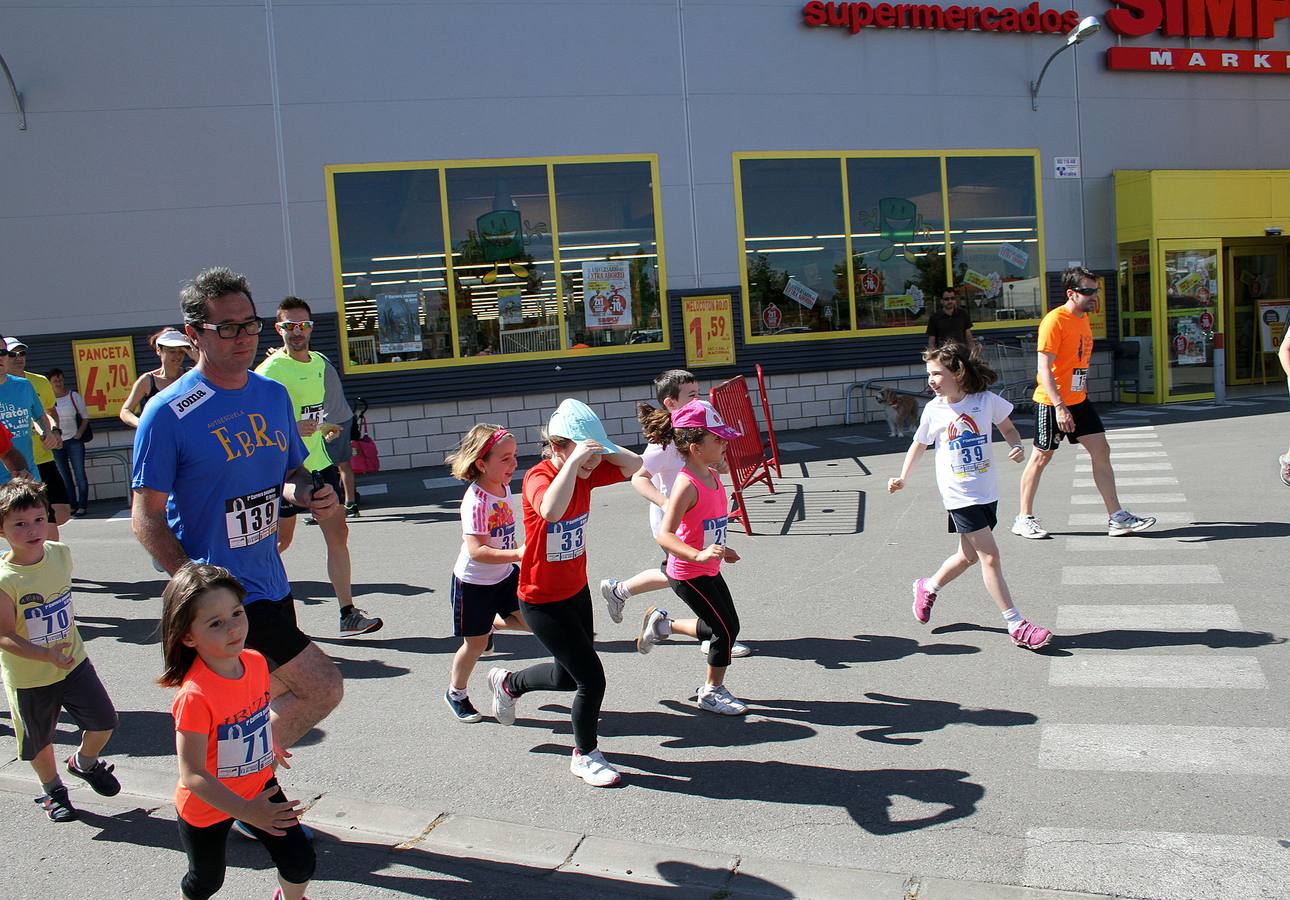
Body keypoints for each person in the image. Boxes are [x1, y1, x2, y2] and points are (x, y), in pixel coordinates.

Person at [131, 266, 343, 753]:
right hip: (222, 598)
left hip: (270, 580)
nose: (244, 336)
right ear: (193, 335)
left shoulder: (272, 395)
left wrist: (308, 495)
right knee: (322, 686)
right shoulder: (168, 413)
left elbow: (289, 476)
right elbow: (146, 515)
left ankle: (232, 785)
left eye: (249, 323)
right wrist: (194, 585)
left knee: (260, 700)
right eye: (226, 327)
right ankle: (236, 786)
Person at [486, 399, 641, 787]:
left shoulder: (587, 471)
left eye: (593, 457)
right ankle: (585, 755)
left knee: (570, 677)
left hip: (575, 590)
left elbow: (636, 466)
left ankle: (509, 683)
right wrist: (573, 462)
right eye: (584, 456)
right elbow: (552, 511)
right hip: (540, 598)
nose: (592, 464)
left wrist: (599, 447)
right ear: (557, 447)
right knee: (592, 679)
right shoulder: (538, 476)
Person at [159, 563, 315, 900]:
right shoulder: (194, 696)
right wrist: (247, 813)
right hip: (207, 806)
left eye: (237, 613)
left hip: (259, 787)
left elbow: (251, 711)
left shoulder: (256, 661)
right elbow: (193, 774)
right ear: (188, 636)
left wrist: (265, 738)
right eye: (216, 623)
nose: (233, 628)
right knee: (206, 881)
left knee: (300, 861)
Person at [888, 342, 1052, 651]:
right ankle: (1016, 624)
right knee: (990, 556)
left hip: (986, 491)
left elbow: (1008, 428)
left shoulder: (985, 401)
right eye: (929, 374)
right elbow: (919, 444)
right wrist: (902, 478)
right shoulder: (934, 410)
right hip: (958, 495)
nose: (931, 380)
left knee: (968, 556)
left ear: (958, 373)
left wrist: (1016, 445)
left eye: (937, 373)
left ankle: (928, 585)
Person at [601, 369, 750, 657]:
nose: (700, 398)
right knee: (686, 576)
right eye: (692, 395)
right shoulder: (663, 444)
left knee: (682, 576)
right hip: (674, 521)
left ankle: (648, 612)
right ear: (670, 403)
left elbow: (708, 466)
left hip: (696, 517)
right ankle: (716, 634)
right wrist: (665, 502)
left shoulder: (699, 437)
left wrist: (717, 465)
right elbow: (638, 477)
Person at [256, 297, 381, 638]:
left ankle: (347, 613)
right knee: (279, 543)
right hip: (283, 472)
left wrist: (322, 428)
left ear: (312, 327)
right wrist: (292, 429)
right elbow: (253, 423)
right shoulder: (269, 371)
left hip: (319, 464)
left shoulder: (318, 363)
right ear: (278, 329)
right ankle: (263, 607)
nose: (297, 332)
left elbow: (312, 412)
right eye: (289, 326)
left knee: (338, 534)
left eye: (303, 325)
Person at [0, 479, 120, 823]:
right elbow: (4, 636)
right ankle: (53, 790)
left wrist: (60, 653)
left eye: (38, 519)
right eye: (19, 524)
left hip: (74, 663)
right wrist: (45, 655)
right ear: (3, 529)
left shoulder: (59, 554)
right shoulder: (5, 579)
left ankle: (84, 763)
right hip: (29, 677)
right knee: (39, 742)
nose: (32, 529)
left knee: (104, 721)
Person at [1012, 266, 1156, 539]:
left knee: (1101, 449)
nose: (1094, 297)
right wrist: (1059, 406)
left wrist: (1081, 387)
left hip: (1078, 399)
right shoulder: (1055, 320)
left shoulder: (1083, 319)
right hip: (1052, 401)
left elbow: (1077, 360)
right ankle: (1023, 518)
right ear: (1071, 292)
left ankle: (1117, 517)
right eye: (1088, 291)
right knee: (1041, 457)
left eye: (1096, 291)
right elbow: (1045, 369)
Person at [637, 399, 750, 714]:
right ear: (696, 448)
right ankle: (711, 692)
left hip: (707, 566)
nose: (723, 442)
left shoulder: (713, 476)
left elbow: (706, 524)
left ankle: (664, 625)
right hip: (688, 573)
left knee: (727, 625)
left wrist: (720, 549)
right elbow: (665, 534)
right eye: (716, 438)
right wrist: (698, 555)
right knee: (725, 628)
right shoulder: (686, 484)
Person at [442, 424, 529, 723]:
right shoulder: (477, 501)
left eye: (515, 456)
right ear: (482, 463)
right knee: (475, 644)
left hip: (504, 574)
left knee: (536, 620)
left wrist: (517, 554)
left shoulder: (503, 486)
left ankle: (492, 622)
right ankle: (456, 693)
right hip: (474, 584)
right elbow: (477, 550)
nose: (514, 464)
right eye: (505, 458)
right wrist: (519, 553)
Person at [4, 338, 70, 536]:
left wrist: (51, 431)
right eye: (11, 354)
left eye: (21, 354)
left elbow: (45, 413)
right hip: (9, 467)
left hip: (36, 460)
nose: (18, 358)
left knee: (59, 512)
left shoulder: (33, 383)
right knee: (23, 521)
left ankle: (42, 558)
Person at [119, 327, 194, 429]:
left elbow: (215, 377)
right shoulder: (147, 380)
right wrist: (143, 424)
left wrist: (196, 356)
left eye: (181, 351)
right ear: (159, 351)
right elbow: (125, 411)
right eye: (172, 351)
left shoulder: (191, 374)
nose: (177, 356)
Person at [48, 368, 91, 517]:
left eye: (60, 379)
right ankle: (72, 505)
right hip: (57, 442)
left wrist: (79, 433)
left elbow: (85, 417)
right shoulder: (49, 400)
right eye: (55, 380)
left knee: (80, 473)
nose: (58, 382)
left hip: (74, 440)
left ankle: (83, 505)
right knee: (64, 476)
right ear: (50, 383)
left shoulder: (73, 396)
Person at [925, 286, 976, 352]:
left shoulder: (963, 314)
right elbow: (932, 341)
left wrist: (973, 354)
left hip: (962, 355)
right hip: (943, 356)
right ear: (941, 301)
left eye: (952, 298)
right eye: (946, 299)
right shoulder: (934, 317)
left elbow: (968, 336)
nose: (950, 301)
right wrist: (933, 357)